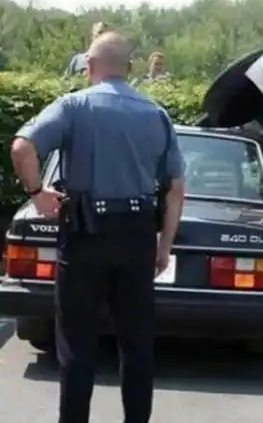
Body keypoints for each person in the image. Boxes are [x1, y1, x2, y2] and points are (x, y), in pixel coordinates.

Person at [10, 31, 186, 423]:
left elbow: (22, 147)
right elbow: (176, 189)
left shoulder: (74, 106)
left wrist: (37, 193)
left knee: (77, 346)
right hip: (137, 235)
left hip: (85, 235)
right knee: (137, 345)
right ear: (130, 68)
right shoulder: (156, 114)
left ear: (90, 66)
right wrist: (164, 246)